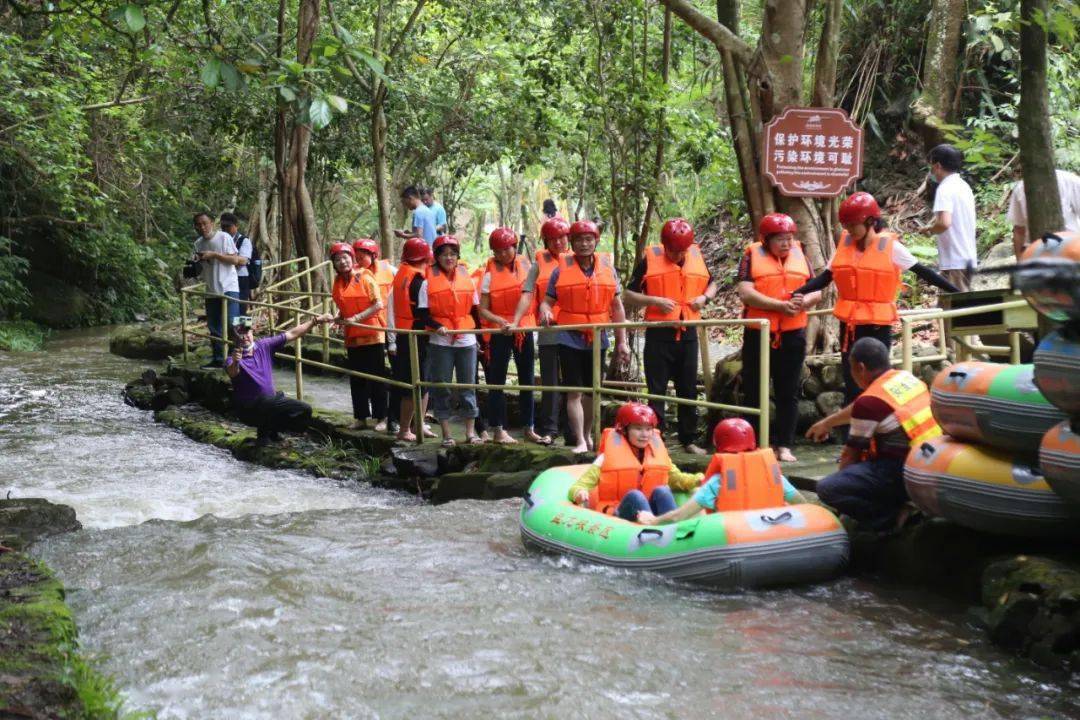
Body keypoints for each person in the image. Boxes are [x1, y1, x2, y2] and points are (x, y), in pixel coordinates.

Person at [792, 192, 959, 404]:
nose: (849, 230)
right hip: (850, 328)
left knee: (877, 382)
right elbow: (825, 278)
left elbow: (924, 272)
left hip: (876, 327)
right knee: (852, 384)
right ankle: (853, 423)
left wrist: (956, 291)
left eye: (853, 225)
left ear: (870, 221)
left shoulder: (891, 247)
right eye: (846, 225)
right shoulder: (844, 246)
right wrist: (797, 293)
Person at [806, 337, 942, 532]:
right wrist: (827, 423)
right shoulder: (906, 379)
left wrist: (843, 495)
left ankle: (888, 518)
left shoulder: (869, 402)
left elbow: (850, 456)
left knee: (829, 488)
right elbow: (865, 404)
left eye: (851, 368)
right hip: (931, 461)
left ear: (860, 368)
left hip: (903, 471)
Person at [623, 217, 718, 455]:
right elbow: (628, 294)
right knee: (657, 389)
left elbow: (713, 284)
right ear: (664, 245)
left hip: (688, 332)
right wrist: (654, 301)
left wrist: (704, 298)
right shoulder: (650, 260)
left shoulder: (696, 257)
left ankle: (689, 439)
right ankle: (656, 438)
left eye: (681, 251)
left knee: (688, 388)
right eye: (672, 250)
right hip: (659, 333)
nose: (677, 255)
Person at [538, 220, 630, 453]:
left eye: (589, 239)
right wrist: (546, 312)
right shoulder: (560, 270)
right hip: (569, 337)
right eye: (578, 240)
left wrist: (622, 342)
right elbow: (547, 302)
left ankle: (587, 434)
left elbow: (617, 306)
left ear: (596, 241)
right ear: (572, 242)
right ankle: (579, 439)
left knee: (592, 391)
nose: (584, 244)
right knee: (574, 391)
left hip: (598, 337)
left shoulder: (608, 269)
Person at [735, 213, 821, 462]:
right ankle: (754, 443)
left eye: (789, 238)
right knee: (754, 389)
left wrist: (803, 302)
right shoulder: (752, 255)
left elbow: (816, 291)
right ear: (766, 240)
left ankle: (784, 445)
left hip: (793, 334)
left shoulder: (800, 254)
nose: (786, 243)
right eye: (780, 239)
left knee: (788, 391)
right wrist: (779, 306)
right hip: (759, 333)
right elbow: (745, 292)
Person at [651, 419, 806, 525]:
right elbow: (803, 504)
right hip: (772, 532)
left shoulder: (717, 482)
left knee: (698, 505)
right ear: (753, 443)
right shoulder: (775, 477)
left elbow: (678, 517)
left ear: (719, 446)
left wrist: (653, 521)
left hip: (734, 538)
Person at [567, 403, 702, 523]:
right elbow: (578, 486)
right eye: (638, 429)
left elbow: (677, 479)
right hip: (619, 513)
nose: (644, 434)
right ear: (624, 430)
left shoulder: (659, 456)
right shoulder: (605, 459)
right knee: (635, 496)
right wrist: (579, 492)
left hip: (649, 515)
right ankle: (653, 529)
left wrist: (697, 480)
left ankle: (674, 529)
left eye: (648, 429)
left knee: (662, 491)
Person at [226, 312, 335, 446]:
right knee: (268, 400)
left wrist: (316, 320)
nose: (244, 337)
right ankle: (263, 436)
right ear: (234, 338)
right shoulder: (231, 359)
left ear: (252, 332)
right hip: (248, 410)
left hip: (269, 403)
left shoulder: (264, 345)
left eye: (247, 332)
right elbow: (232, 372)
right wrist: (236, 361)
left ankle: (273, 431)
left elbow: (292, 334)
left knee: (304, 409)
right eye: (240, 334)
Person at [418, 235, 483, 446]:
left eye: (453, 254)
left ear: (457, 256)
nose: (449, 258)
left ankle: (470, 433)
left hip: (466, 340)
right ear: (436, 257)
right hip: (441, 342)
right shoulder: (427, 283)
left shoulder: (468, 280)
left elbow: (475, 311)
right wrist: (437, 326)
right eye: (444, 254)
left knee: (468, 386)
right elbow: (423, 314)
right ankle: (447, 434)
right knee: (442, 387)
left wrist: (480, 338)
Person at [510, 216, 570, 446]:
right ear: (546, 241)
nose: (558, 242)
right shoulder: (538, 265)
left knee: (577, 384)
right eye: (553, 239)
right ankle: (550, 430)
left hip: (577, 331)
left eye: (562, 238)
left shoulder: (581, 260)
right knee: (550, 383)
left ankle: (574, 432)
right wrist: (516, 321)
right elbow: (527, 295)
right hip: (549, 330)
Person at [479, 227, 542, 444]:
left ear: (515, 247)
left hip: (523, 329)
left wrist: (516, 322)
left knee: (527, 379)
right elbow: (483, 310)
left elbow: (529, 295)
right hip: (501, 331)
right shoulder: (489, 275)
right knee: (497, 379)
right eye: (498, 251)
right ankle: (498, 429)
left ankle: (529, 427)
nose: (503, 254)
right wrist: (499, 321)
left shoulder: (528, 266)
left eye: (507, 249)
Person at [330, 241, 388, 430]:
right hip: (353, 337)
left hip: (372, 335)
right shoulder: (338, 282)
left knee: (376, 378)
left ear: (352, 258)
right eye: (338, 260)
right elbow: (344, 305)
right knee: (357, 378)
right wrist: (338, 318)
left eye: (345, 258)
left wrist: (356, 318)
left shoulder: (365, 278)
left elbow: (378, 304)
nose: (342, 262)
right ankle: (361, 417)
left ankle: (382, 418)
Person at [387, 238, 436, 442]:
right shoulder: (419, 280)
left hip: (404, 334)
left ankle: (418, 425)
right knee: (415, 384)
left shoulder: (402, 275)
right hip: (416, 337)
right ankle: (405, 429)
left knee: (422, 383)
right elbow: (423, 312)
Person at [354, 237, 398, 432]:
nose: (359, 260)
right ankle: (361, 417)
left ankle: (385, 416)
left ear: (373, 255)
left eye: (362, 256)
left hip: (387, 327)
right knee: (360, 375)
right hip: (365, 328)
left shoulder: (390, 271)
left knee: (381, 374)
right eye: (356, 257)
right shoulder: (354, 273)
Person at [192, 211, 245, 368]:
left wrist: (214, 255)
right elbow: (200, 269)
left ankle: (239, 359)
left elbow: (235, 260)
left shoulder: (223, 237)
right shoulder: (198, 243)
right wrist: (195, 263)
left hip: (229, 287)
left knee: (233, 323)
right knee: (214, 327)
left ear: (212, 223)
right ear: (195, 227)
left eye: (205, 223)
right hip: (211, 289)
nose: (202, 227)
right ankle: (218, 359)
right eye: (198, 225)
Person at [921, 144, 977, 290]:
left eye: (931, 166)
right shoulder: (963, 186)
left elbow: (944, 223)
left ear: (938, 166)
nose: (931, 171)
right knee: (959, 300)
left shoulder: (945, 188)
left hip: (955, 260)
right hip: (966, 257)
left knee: (957, 303)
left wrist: (929, 230)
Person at [1008, 168, 1080, 258]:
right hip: (1035, 252)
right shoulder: (1020, 188)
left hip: (1070, 249)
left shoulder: (1070, 182)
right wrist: (1020, 261)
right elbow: (1019, 230)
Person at [220, 212, 253, 305]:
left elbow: (243, 261)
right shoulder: (220, 240)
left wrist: (221, 257)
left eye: (228, 226)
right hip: (224, 277)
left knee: (240, 306)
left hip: (240, 278)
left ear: (236, 226)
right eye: (223, 227)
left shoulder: (244, 240)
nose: (225, 229)